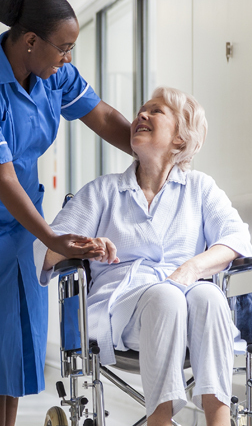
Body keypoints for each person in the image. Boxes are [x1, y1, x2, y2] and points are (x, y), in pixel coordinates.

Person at [0, 0, 133, 426]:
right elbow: (1, 178)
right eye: (63, 47)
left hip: (23, 218)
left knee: (19, 331)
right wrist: (52, 236)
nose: (68, 58)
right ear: (29, 42)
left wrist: (150, 151)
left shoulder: (53, 75)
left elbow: (103, 117)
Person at [36, 87, 252, 425]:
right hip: (121, 307)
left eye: (156, 111)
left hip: (190, 299)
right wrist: (79, 246)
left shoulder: (200, 188)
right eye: (141, 110)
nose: (141, 115)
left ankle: (219, 420)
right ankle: (160, 419)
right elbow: (45, 248)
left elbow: (238, 238)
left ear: (180, 139)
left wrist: (191, 268)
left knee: (209, 294)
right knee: (167, 296)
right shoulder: (102, 191)